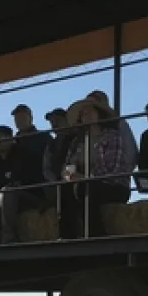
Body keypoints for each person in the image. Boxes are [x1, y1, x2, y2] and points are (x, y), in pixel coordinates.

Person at [59, 98, 133, 239]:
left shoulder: (112, 136)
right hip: (81, 185)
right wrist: (72, 177)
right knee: (64, 190)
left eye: (90, 111)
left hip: (114, 186)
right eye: (83, 113)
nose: (86, 115)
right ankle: (67, 237)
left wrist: (84, 178)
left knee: (86, 189)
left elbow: (112, 170)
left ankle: (96, 235)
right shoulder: (77, 142)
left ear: (99, 114)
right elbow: (66, 169)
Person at [0, 125, 45, 244]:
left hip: (29, 195)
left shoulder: (24, 154)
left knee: (8, 191)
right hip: (1, 197)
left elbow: (27, 179)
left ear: (10, 139)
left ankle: (9, 239)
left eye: (0, 138)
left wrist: (7, 183)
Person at [11, 104, 52, 179]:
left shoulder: (43, 136)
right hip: (19, 181)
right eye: (16, 118)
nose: (19, 120)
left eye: (22, 117)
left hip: (41, 179)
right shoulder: (12, 141)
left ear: (30, 118)